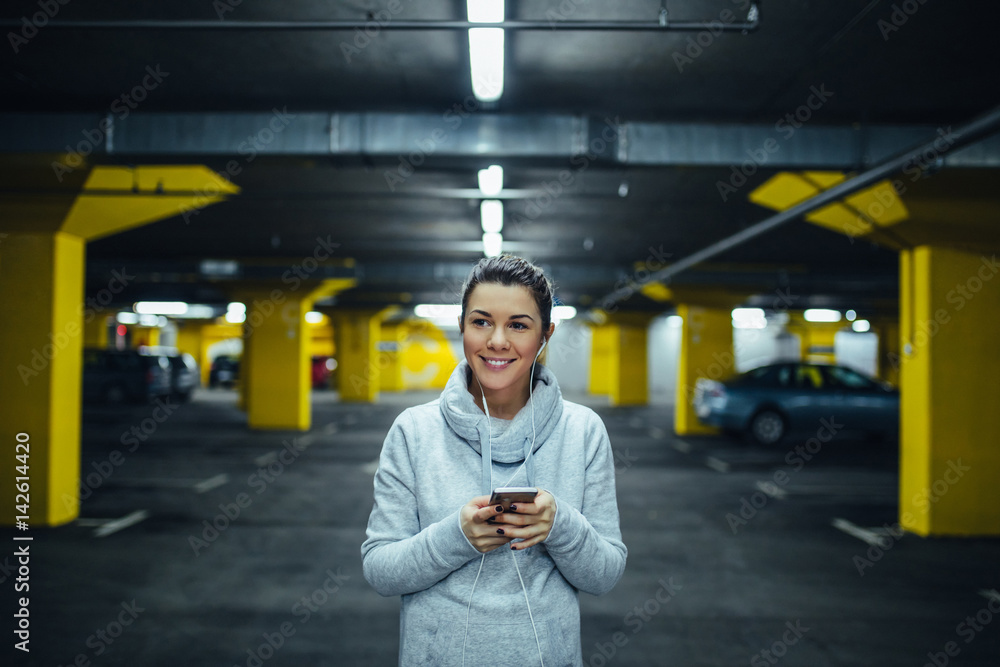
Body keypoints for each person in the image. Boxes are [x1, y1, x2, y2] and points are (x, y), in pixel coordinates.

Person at [362, 255, 627, 666]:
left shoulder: (583, 431)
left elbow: (605, 574)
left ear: (545, 336)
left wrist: (560, 525)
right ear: (462, 326)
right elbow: (379, 569)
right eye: (481, 322)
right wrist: (456, 538)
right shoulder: (413, 431)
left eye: (518, 325)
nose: (497, 341)